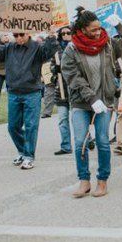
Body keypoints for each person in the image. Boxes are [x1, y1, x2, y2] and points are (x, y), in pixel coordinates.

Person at [61, 10, 119, 198]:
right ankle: (84, 181)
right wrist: (91, 98)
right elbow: (72, 76)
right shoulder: (72, 49)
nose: (97, 32)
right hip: (81, 102)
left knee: (102, 141)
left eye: (99, 28)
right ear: (83, 29)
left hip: (104, 102)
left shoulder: (106, 43)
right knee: (80, 142)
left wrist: (120, 27)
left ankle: (102, 181)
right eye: (93, 30)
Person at [0, 29, 58, 169]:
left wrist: (52, 37)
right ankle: (22, 151)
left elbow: (49, 51)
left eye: (21, 34)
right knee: (13, 127)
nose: (19, 38)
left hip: (32, 92)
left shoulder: (37, 47)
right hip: (14, 92)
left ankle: (29, 156)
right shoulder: (9, 47)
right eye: (15, 35)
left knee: (31, 126)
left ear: (28, 33)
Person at [49, 26, 73, 155]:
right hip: (61, 90)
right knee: (63, 119)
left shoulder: (76, 47)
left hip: (75, 90)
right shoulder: (56, 50)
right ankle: (66, 145)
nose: (65, 35)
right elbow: (51, 66)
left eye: (68, 33)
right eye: (63, 33)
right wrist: (55, 70)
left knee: (78, 119)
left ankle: (88, 139)